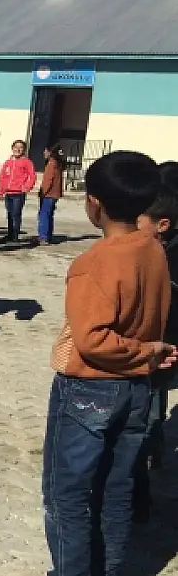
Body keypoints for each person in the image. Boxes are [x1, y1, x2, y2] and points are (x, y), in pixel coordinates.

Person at [41, 151, 175, 576]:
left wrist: (145, 352)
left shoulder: (95, 263)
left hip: (90, 388)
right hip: (137, 390)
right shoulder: (153, 250)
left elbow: (92, 339)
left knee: (67, 495)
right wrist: (148, 354)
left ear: (94, 203)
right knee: (117, 489)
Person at [132, 163, 178, 522]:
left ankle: (139, 494)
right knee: (150, 409)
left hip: (163, 345)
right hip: (152, 345)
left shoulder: (167, 252)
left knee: (145, 416)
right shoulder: (149, 244)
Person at [0, 140, 37, 243]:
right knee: (9, 214)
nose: (18, 149)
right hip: (8, 193)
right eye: (16, 147)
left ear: (24, 150)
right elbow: (3, 177)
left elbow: (32, 176)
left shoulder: (26, 162)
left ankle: (15, 236)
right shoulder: (8, 162)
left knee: (16, 214)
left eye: (21, 147)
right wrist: (1, 191)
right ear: (12, 148)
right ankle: (10, 235)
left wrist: (27, 187)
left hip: (18, 193)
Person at [36, 143, 66, 246]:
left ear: (50, 152)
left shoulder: (51, 163)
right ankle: (48, 236)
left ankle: (43, 237)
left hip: (48, 194)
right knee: (49, 215)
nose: (44, 153)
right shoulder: (58, 163)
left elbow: (48, 180)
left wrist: (43, 192)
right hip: (55, 194)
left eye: (46, 151)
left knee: (44, 215)